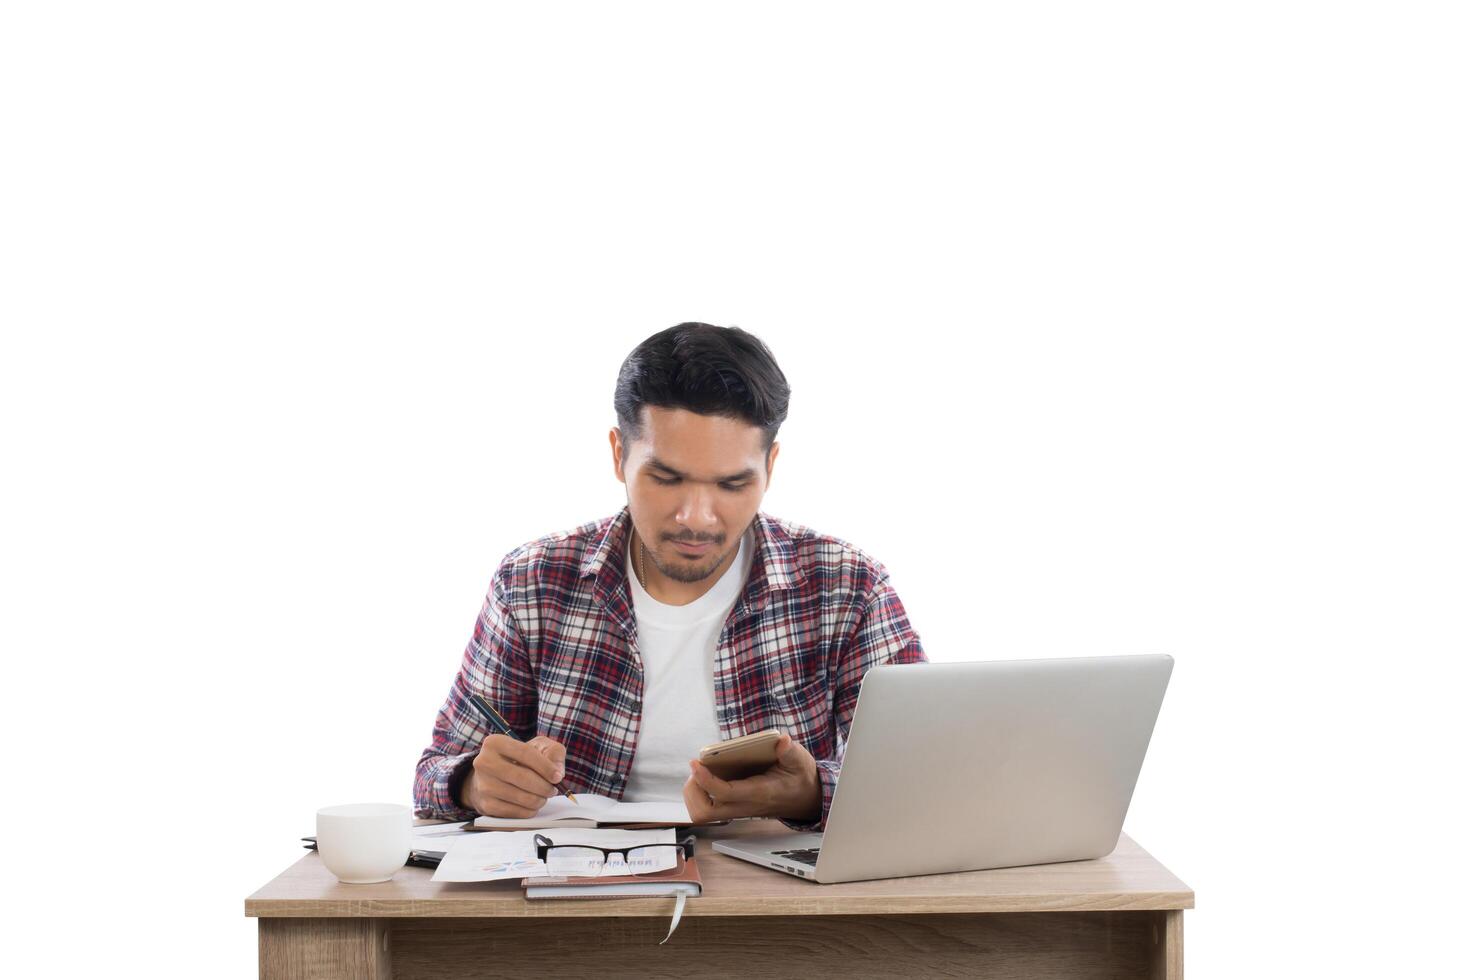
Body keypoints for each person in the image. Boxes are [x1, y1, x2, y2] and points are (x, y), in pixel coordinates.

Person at [413, 322, 926, 830]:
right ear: (619, 455)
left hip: (776, 898)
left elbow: (921, 778)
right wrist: (473, 784)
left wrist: (814, 793)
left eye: (731, 484)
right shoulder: (532, 583)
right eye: (666, 478)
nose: (696, 517)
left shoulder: (848, 588)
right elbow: (436, 770)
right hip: (577, 890)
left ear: (770, 465)